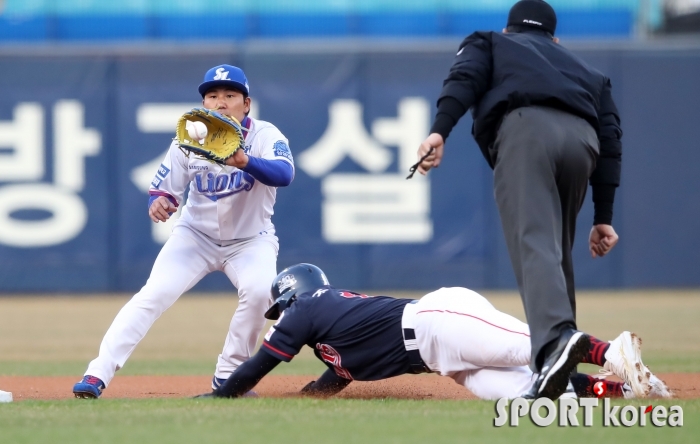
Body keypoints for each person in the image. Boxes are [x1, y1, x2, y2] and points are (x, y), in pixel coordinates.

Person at [414, 0, 623, 399]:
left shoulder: (491, 41)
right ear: (556, 39)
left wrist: (440, 130)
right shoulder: (591, 74)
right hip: (584, 143)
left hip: (527, 133)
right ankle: (557, 370)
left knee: (534, 244)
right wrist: (604, 216)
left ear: (510, 31)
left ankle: (556, 345)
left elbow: (465, 78)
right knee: (555, 254)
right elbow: (611, 141)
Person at [73, 64, 295, 399]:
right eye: (212, 96)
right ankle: (96, 374)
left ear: (246, 103)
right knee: (153, 295)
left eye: (230, 95)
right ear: (204, 103)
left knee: (261, 291)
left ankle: (228, 376)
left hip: (251, 240)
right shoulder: (189, 139)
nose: (220, 103)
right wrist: (159, 202)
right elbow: (164, 189)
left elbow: (285, 173)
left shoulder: (266, 136)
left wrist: (245, 161)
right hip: (195, 238)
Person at [197, 264, 670, 400]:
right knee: (527, 393)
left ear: (294, 296)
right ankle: (623, 390)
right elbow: (338, 377)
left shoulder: (309, 307)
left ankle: (613, 349)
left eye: (281, 308)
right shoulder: (332, 341)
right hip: (440, 359)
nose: (281, 318)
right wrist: (308, 399)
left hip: (436, 320)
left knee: (533, 348)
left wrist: (221, 396)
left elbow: (258, 365)